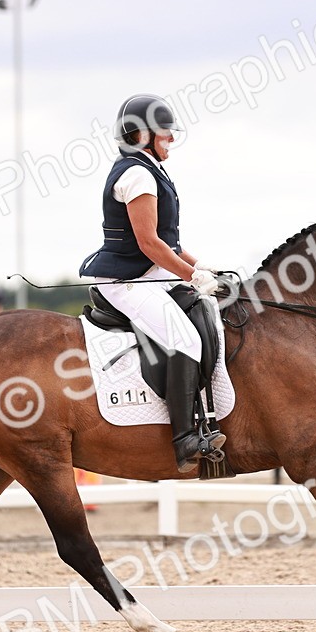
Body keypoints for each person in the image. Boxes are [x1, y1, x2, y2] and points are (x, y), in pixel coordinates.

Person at [78, 93, 223, 472]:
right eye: (165, 133)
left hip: (149, 278)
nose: (171, 139)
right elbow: (149, 243)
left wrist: (205, 268)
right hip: (127, 281)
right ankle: (184, 439)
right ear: (140, 134)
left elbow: (170, 242)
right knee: (185, 339)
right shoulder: (137, 173)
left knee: (205, 314)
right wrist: (192, 275)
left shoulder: (149, 168)